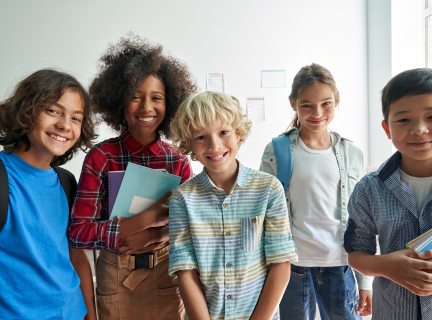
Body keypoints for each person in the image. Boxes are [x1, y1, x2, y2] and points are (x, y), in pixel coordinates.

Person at [68, 35, 197, 320]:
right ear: (119, 102)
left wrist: (157, 234)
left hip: (166, 277)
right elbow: (78, 233)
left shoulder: (178, 161)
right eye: (135, 96)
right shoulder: (102, 157)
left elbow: (194, 227)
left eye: (156, 98)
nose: (146, 107)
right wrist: (138, 224)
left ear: (170, 103)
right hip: (116, 278)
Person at [168, 91, 298, 320]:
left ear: (238, 133)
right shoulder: (182, 198)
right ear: (189, 144)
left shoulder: (269, 189)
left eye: (223, 132)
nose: (214, 145)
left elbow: (281, 263)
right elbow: (185, 272)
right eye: (201, 137)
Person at [260, 63, 373, 320]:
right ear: (293, 103)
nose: (317, 113)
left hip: (341, 264)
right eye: (307, 105)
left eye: (326, 103)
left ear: (336, 101)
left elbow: (363, 220)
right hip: (292, 266)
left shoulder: (352, 154)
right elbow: (265, 214)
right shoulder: (276, 151)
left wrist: (365, 282)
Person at [0, 69, 97, 320]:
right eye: (53, 111)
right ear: (26, 111)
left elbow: (76, 256)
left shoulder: (67, 182)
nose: (65, 125)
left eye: (76, 118)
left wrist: (91, 315)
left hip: (72, 312)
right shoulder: (4, 176)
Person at [345, 68, 432, 320]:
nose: (419, 129)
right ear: (387, 128)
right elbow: (356, 253)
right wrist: (387, 266)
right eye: (404, 120)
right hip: (393, 311)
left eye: (430, 116)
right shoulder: (369, 189)